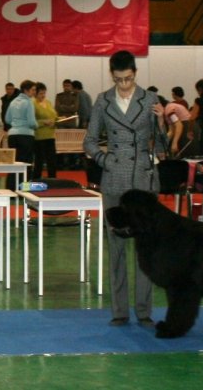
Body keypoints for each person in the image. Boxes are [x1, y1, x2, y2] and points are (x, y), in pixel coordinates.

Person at [83, 50, 166, 328]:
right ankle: (119, 310)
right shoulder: (102, 101)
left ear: (135, 73)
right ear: (112, 76)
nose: (124, 85)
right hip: (114, 179)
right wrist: (105, 160)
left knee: (147, 247)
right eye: (119, 80)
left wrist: (163, 122)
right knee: (116, 247)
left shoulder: (151, 99)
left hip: (142, 179)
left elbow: (163, 149)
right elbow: (90, 141)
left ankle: (144, 311)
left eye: (128, 79)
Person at [5, 80, 38, 187]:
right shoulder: (28, 102)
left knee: (14, 162)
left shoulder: (13, 102)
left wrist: (16, 124)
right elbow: (31, 122)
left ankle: (11, 186)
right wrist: (37, 125)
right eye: (33, 90)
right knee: (25, 163)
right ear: (26, 90)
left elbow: (7, 119)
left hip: (12, 135)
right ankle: (23, 188)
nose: (34, 92)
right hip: (26, 136)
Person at [32, 82, 57, 179]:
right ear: (35, 93)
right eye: (41, 93)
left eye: (44, 93)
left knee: (52, 160)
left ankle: (53, 180)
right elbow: (32, 121)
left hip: (51, 135)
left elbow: (54, 116)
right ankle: (36, 179)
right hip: (39, 136)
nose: (43, 95)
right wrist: (44, 122)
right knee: (39, 161)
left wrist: (58, 120)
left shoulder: (48, 102)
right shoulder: (32, 103)